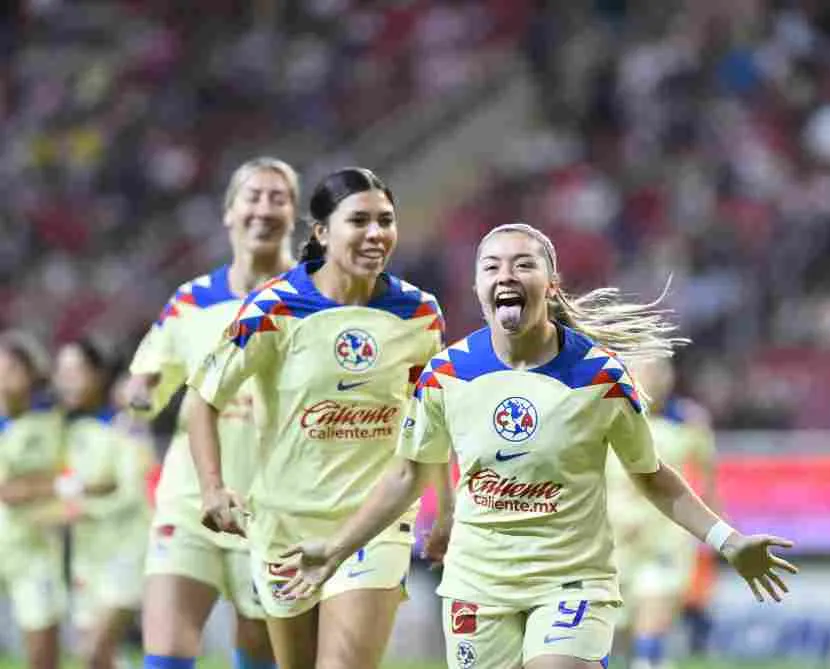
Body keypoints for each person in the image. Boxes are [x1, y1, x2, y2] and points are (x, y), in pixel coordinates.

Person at [277, 222, 797, 669]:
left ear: (551, 285)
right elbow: (407, 474)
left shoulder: (600, 378)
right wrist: (335, 547)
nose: (506, 274)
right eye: (492, 266)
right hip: (477, 587)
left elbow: (652, 474)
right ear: (478, 286)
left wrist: (729, 541)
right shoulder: (446, 374)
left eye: (523, 264)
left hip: (571, 585)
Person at [186, 167, 450, 669]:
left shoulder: (420, 313)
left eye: (385, 221)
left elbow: (431, 422)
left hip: (374, 521)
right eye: (360, 221)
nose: (376, 234)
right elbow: (204, 397)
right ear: (322, 232)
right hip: (285, 524)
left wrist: (448, 509)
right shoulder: (273, 309)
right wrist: (213, 488)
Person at [125, 156, 301, 669]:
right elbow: (149, 377)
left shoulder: (315, 300)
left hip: (275, 511)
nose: (264, 208)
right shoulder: (191, 301)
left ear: (294, 216)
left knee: (258, 648)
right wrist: (138, 389)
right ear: (228, 212)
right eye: (253, 196)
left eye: (278, 198)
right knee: (167, 651)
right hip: (188, 501)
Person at [606, 358, 718, 669]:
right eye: (646, 367)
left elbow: (708, 483)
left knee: (650, 630)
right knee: (617, 635)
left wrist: (719, 536)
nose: (656, 376)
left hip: (664, 540)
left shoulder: (689, 421)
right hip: (613, 543)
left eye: (661, 368)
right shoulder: (607, 415)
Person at [53, 339, 154, 669]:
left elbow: (132, 484)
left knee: (94, 652)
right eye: (62, 371)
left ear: (98, 374)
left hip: (126, 549)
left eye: (75, 370)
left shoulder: (127, 421)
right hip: (87, 553)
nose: (66, 379)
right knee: (101, 660)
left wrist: (80, 491)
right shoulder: (64, 427)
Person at [0, 331, 67, 669]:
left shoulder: (49, 423)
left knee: (41, 650)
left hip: (34, 548)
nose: (2, 376)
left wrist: (24, 488)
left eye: (11, 368)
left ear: (30, 374)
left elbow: (64, 479)